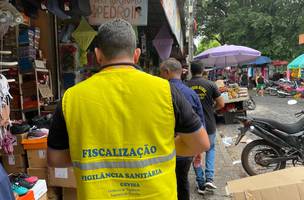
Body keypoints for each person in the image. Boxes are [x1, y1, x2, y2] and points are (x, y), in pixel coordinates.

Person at [47, 19, 210, 200]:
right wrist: (161, 147)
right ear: (136, 54)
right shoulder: (165, 91)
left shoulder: (71, 98)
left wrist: (98, 156)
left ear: (98, 54)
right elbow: (200, 143)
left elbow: (55, 159)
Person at [160, 58, 206, 200]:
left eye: (161, 73)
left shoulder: (160, 92)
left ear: (166, 72)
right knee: (182, 181)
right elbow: (200, 122)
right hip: (186, 149)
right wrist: (198, 150)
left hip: (164, 148)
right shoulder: (191, 93)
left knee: (165, 184)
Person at [187, 62, 225, 194]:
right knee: (210, 149)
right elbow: (221, 104)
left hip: (192, 126)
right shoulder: (210, 85)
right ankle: (209, 178)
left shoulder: (185, 85)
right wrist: (211, 109)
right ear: (203, 71)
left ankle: (201, 183)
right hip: (208, 124)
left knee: (195, 153)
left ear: (190, 71)